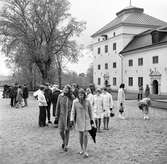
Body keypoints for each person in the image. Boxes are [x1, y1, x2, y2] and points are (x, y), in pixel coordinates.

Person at [70, 89, 94, 158]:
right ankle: (81, 148)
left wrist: (92, 119)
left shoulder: (87, 101)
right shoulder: (75, 101)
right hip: (79, 120)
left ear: (84, 95)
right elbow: (73, 111)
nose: (81, 96)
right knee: (80, 135)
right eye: (80, 94)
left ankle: (85, 150)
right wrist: (71, 120)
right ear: (78, 95)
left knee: (85, 135)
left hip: (86, 120)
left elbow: (90, 111)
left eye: (82, 94)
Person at [55, 85, 74, 152]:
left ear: (69, 90)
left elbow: (73, 108)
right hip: (61, 116)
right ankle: (64, 141)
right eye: (64, 88)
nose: (65, 89)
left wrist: (73, 118)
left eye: (67, 89)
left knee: (67, 131)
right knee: (61, 131)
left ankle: (66, 145)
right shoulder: (60, 96)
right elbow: (58, 106)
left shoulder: (71, 97)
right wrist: (56, 115)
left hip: (68, 117)